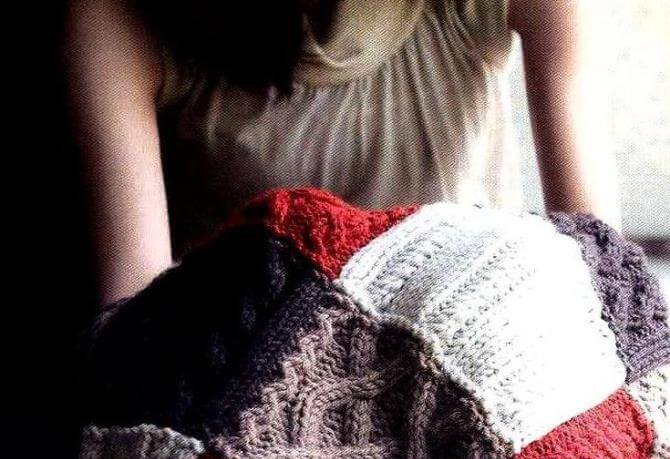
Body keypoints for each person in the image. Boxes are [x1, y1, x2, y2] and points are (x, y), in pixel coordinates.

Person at [63, 0, 621, 308]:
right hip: (242, 413)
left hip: (479, 383)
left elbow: (603, 285)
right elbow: (133, 336)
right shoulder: (121, 19)